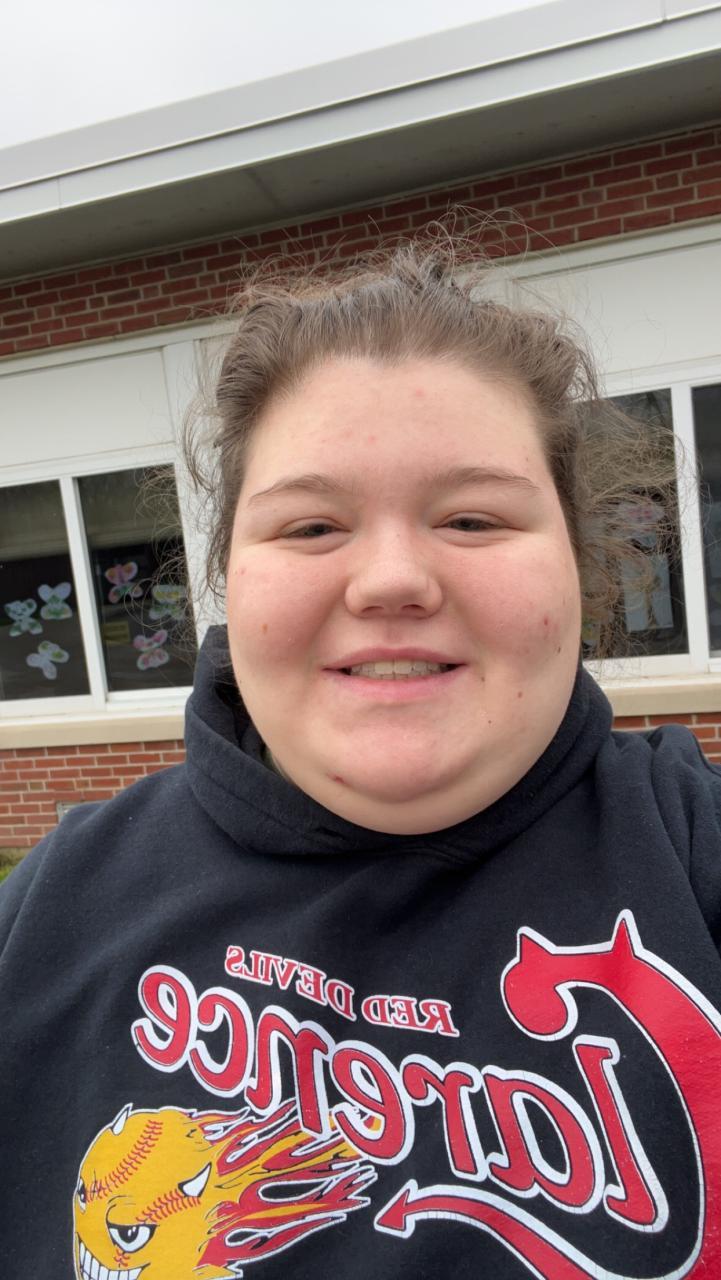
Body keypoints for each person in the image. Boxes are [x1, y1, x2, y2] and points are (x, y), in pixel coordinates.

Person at [2, 235, 721, 1280]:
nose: (390, 579)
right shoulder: (60, 902)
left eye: (470, 517)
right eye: (310, 526)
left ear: (577, 563)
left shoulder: (695, 855)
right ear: (229, 576)